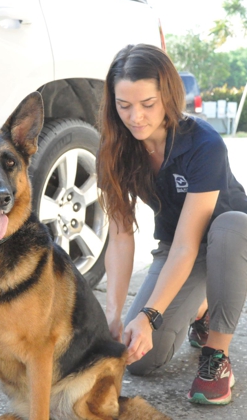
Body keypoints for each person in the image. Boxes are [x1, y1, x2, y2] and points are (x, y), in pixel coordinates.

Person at [97, 43, 247, 406]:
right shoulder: (115, 146)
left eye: (147, 104)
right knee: (140, 359)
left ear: (167, 95)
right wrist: (114, 314)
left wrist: (150, 315)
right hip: (178, 248)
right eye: (124, 105)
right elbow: (119, 236)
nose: (135, 117)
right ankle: (202, 305)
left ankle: (217, 354)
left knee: (228, 227)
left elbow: (189, 243)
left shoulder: (204, 144)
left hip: (230, 241)